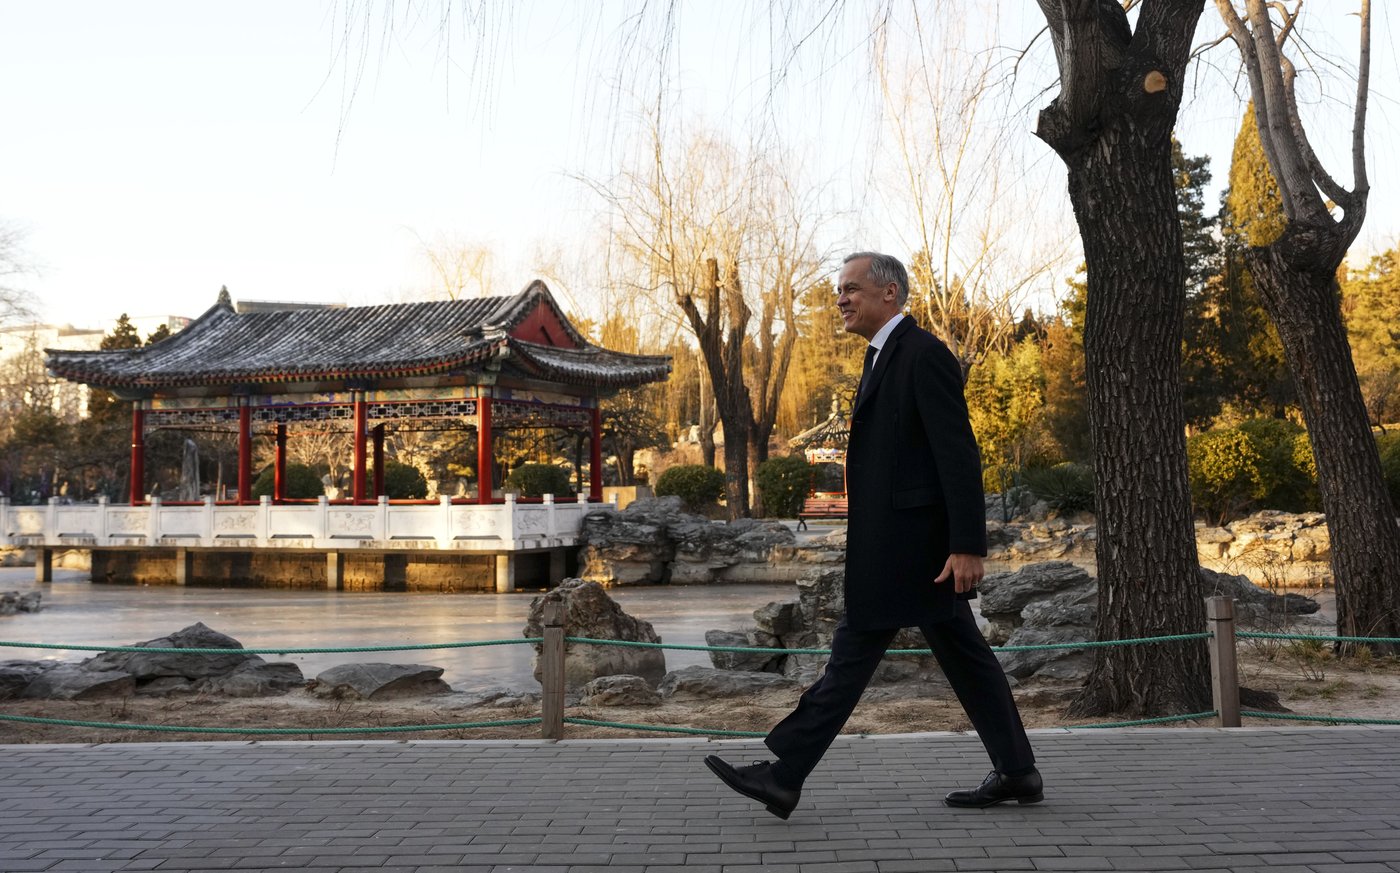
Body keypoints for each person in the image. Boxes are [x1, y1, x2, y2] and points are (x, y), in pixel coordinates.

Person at [704, 252, 1042, 819]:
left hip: (913, 549)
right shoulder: (883, 355)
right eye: (839, 290)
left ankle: (784, 776)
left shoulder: (924, 354)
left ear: (890, 293)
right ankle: (1017, 770)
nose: (841, 300)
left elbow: (958, 455)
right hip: (900, 545)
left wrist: (967, 545)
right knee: (964, 658)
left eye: (851, 289)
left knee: (854, 653)